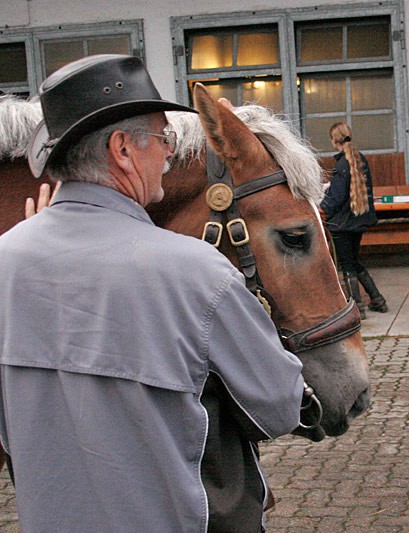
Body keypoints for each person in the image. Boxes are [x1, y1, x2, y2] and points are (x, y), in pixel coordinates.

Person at [0, 54, 304, 532]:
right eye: (164, 139)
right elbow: (280, 408)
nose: (168, 155)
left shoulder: (5, 261)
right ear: (122, 149)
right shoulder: (198, 272)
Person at [320, 122, 387, 318]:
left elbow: (336, 197)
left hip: (341, 224)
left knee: (347, 265)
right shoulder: (359, 159)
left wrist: (321, 207)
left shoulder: (342, 164)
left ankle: (358, 307)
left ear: (334, 140)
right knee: (354, 261)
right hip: (358, 220)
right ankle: (378, 300)